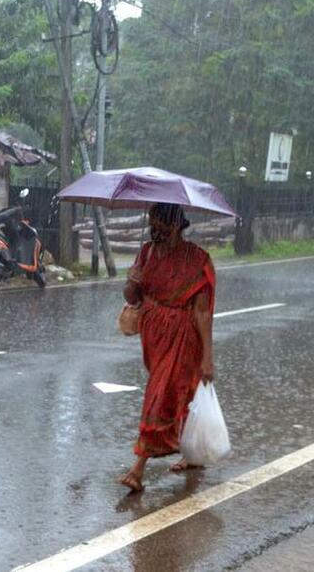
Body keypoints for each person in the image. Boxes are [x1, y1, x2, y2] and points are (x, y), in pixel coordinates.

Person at [119, 203, 216, 493]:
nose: (154, 229)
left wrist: (208, 358)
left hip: (182, 336)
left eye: (159, 223)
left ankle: (138, 469)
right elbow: (132, 296)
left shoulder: (197, 259)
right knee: (180, 393)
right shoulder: (146, 253)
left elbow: (201, 313)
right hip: (153, 336)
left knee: (159, 395)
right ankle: (193, 454)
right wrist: (131, 281)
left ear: (175, 225)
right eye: (151, 222)